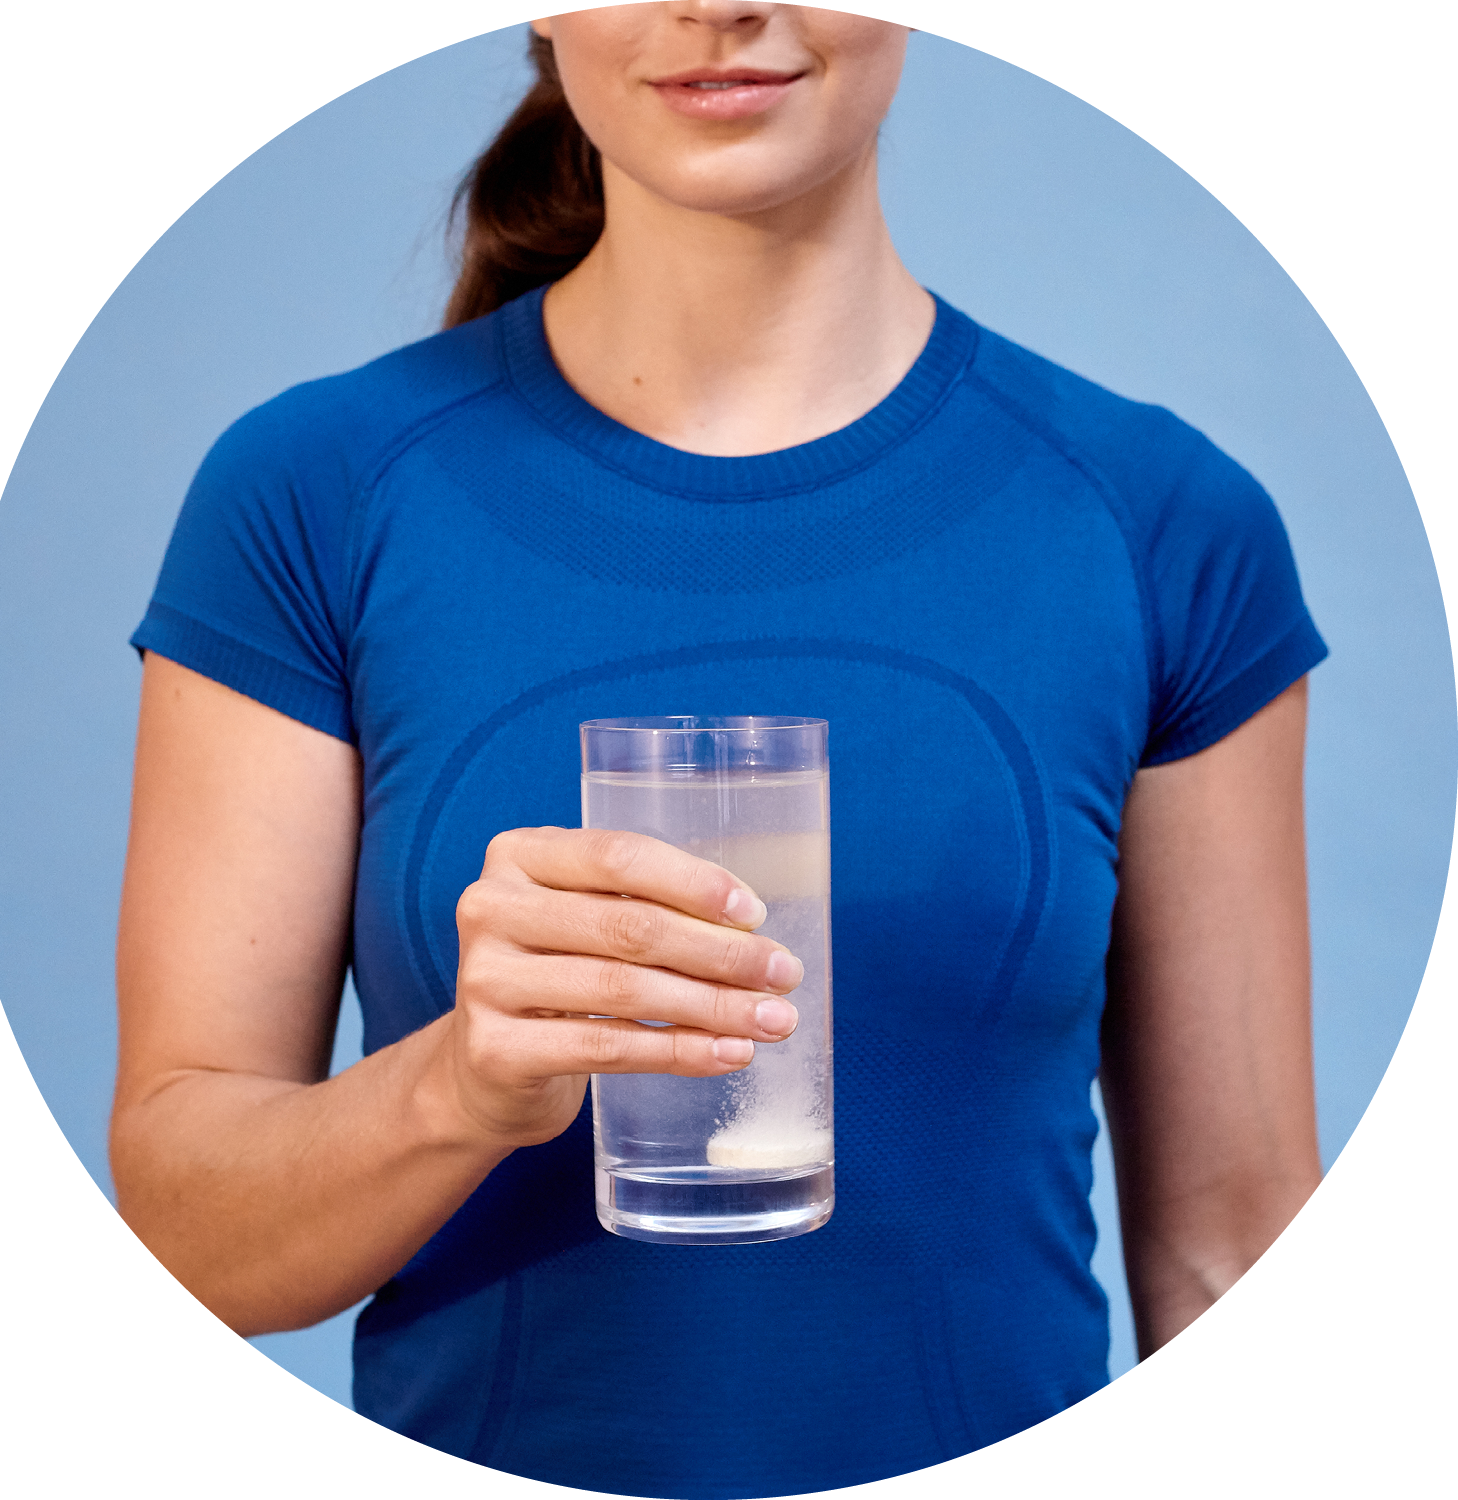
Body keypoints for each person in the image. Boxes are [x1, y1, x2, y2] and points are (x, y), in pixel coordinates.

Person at [112, 6, 1327, 1496]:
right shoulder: (311, 498)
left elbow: (1232, 1257)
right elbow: (184, 1243)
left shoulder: (1162, 521)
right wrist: (457, 1090)